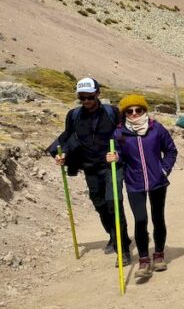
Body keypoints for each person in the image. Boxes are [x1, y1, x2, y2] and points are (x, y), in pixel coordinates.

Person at [49, 77, 131, 264]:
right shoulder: (74, 115)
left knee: (114, 204)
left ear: (98, 94)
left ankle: (123, 249)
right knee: (100, 204)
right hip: (89, 168)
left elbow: (125, 138)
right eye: (82, 98)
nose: (86, 101)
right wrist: (62, 154)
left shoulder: (113, 113)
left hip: (111, 166)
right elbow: (68, 138)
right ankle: (113, 234)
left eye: (90, 97)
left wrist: (118, 153)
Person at [110, 95, 177, 280]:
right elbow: (119, 156)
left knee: (158, 218)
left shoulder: (157, 128)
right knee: (140, 220)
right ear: (124, 113)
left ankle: (159, 255)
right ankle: (144, 260)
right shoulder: (120, 133)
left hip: (158, 182)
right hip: (134, 183)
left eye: (138, 110)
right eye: (129, 111)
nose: (134, 114)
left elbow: (171, 150)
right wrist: (115, 157)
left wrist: (164, 170)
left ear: (144, 111)